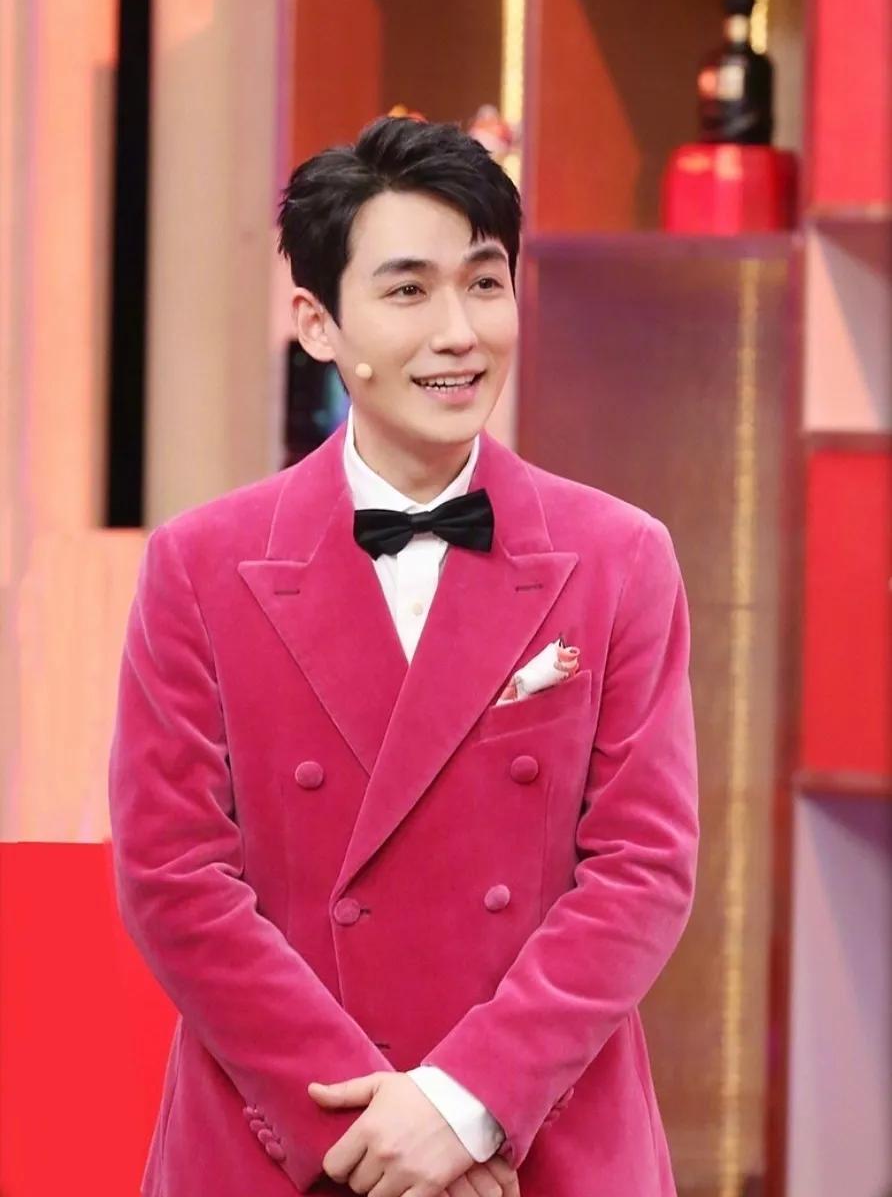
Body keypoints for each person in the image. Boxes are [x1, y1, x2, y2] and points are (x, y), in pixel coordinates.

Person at [107, 115, 700, 1197]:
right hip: (282, 1139)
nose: (458, 333)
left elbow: (642, 870)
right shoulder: (199, 565)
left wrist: (467, 1104)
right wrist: (383, 1132)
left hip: (542, 1138)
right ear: (318, 323)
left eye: (484, 284)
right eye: (409, 290)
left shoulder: (622, 558)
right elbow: (173, 879)